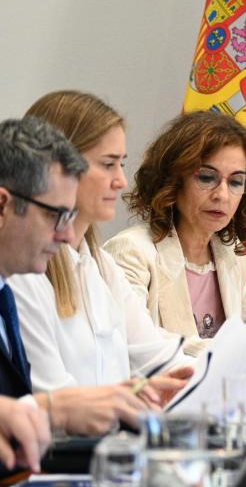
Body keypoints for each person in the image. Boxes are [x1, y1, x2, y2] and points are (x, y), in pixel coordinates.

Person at [9, 92, 197, 394]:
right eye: (108, 164)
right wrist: (127, 402)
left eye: (121, 164)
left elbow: (160, 357)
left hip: (107, 437)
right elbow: (55, 400)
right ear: (60, 168)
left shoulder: (100, 264)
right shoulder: (25, 273)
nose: (121, 181)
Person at [0, 117, 150, 443]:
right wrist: (53, 409)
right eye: (57, 215)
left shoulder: (6, 291)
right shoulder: (22, 287)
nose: (67, 234)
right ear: (2, 207)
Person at [105, 111, 246, 344]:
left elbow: (245, 318)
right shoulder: (130, 251)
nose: (222, 195)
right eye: (206, 178)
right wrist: (242, 353)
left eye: (236, 182)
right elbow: (139, 341)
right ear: (174, 181)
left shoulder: (231, 251)